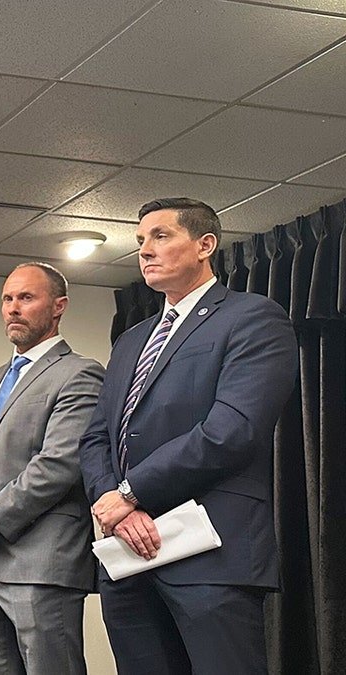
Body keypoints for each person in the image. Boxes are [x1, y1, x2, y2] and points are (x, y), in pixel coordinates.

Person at [79, 198, 298, 674]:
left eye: (160, 236)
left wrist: (131, 492)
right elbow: (97, 437)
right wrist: (114, 507)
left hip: (210, 556)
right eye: (140, 241)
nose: (145, 251)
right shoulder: (132, 339)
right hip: (128, 558)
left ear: (205, 246)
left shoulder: (253, 318)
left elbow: (231, 430)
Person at [0, 263, 103, 674]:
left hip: (42, 562)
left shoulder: (80, 374)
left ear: (58, 307)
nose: (13, 308)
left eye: (26, 298)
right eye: (8, 299)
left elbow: (59, 464)